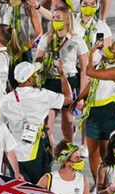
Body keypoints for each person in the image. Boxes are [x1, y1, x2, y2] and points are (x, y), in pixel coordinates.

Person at [0, 60, 70, 184]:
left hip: (15, 155)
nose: (37, 75)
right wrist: (62, 74)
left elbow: (0, 125)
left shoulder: (6, 99)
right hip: (36, 153)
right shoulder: (42, 95)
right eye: (35, 74)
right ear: (29, 79)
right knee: (40, 191)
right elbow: (68, 98)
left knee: (20, 191)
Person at [78, 38, 115, 182]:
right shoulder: (105, 63)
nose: (108, 48)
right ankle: (99, 185)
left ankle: (110, 183)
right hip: (94, 110)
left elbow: (90, 72)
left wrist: (91, 53)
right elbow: (93, 83)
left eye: (112, 48)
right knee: (93, 152)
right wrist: (78, 99)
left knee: (106, 153)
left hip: (108, 111)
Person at [34, 6, 89, 144]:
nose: (54, 20)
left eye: (58, 18)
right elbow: (37, 62)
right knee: (47, 127)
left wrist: (81, 97)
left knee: (67, 126)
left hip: (69, 82)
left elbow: (84, 70)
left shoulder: (77, 41)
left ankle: (69, 153)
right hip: (50, 82)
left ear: (67, 21)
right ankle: (50, 155)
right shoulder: (47, 38)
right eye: (53, 17)